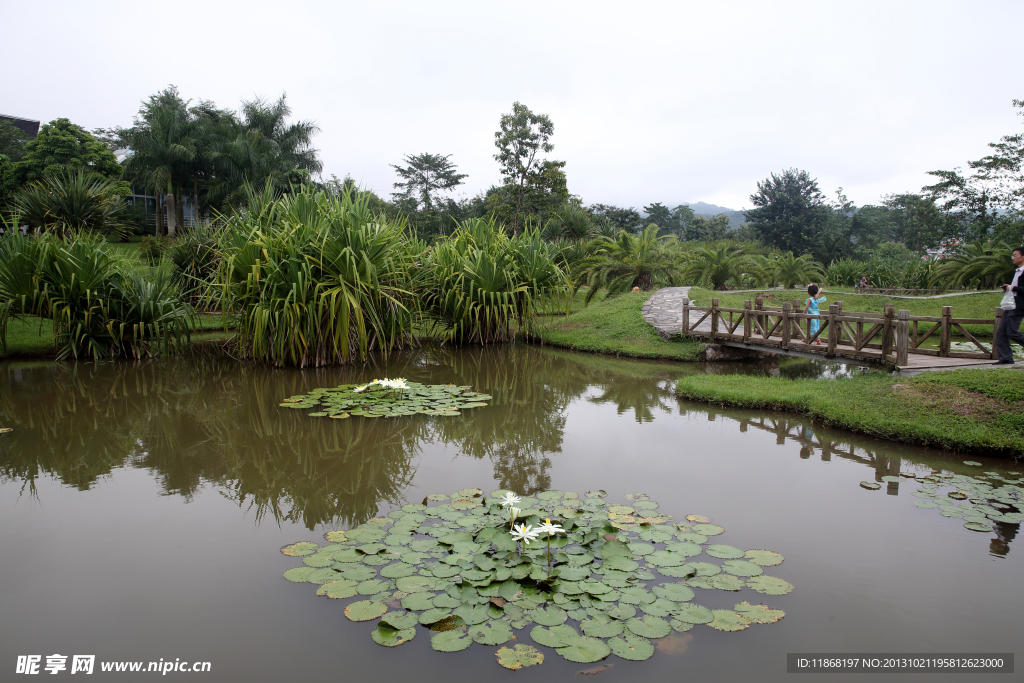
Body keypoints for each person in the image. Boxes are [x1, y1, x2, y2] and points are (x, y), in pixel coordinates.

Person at [993, 246, 1024, 365]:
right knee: (1001, 332)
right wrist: (1008, 289)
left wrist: (1013, 288)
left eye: (1015, 255)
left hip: (1019, 306)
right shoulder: (1017, 271)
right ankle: (1006, 357)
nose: (1012, 258)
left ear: (1022, 256)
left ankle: (1006, 357)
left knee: (1011, 332)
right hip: (1011, 304)